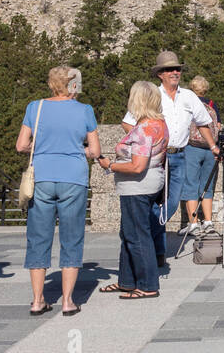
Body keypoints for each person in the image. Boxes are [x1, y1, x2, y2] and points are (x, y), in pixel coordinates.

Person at [17, 66, 100, 316]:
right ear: (74, 85)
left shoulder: (35, 107)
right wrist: (76, 151)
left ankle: (37, 300)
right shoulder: (85, 110)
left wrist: (42, 147)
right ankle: (67, 301)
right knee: (71, 238)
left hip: (42, 176)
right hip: (73, 177)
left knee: (38, 237)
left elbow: (21, 145)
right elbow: (94, 151)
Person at [121, 52, 217, 260]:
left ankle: (150, 233)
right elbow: (128, 122)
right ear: (160, 74)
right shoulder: (152, 95)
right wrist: (146, 143)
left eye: (177, 69)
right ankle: (158, 252)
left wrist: (212, 146)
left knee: (171, 203)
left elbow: (202, 122)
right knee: (155, 202)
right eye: (169, 69)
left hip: (180, 156)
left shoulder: (189, 96)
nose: (174, 72)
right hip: (156, 157)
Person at [99, 82, 168, 299]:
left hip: (137, 186)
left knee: (137, 235)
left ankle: (148, 285)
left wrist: (110, 165)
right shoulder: (160, 124)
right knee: (129, 233)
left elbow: (137, 166)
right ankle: (127, 281)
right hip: (150, 183)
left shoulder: (144, 129)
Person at [182, 76, 221, 237]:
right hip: (211, 149)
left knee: (190, 184)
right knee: (207, 185)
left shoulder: (189, 104)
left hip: (192, 148)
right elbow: (218, 126)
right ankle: (208, 221)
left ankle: (193, 223)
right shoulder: (212, 105)